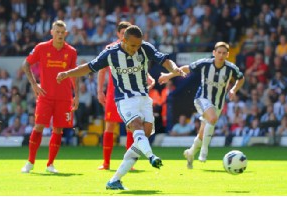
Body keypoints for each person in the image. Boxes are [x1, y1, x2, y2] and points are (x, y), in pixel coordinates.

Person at [57, 25, 184, 190]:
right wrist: (67, 73)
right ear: (123, 40)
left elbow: (165, 60)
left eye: (138, 45)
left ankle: (115, 180)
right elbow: (89, 67)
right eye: (132, 45)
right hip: (124, 99)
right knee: (136, 126)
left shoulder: (145, 48)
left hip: (144, 98)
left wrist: (174, 69)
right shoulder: (110, 53)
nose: (135, 49)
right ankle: (151, 156)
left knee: (142, 137)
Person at [158, 41, 245, 169]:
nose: (221, 55)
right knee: (213, 118)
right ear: (214, 53)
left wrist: (233, 90)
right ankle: (204, 151)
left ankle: (190, 153)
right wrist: (169, 75)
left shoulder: (231, 68)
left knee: (202, 133)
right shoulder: (205, 63)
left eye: (224, 53)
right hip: (202, 98)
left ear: (227, 55)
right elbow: (186, 68)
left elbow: (241, 78)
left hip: (218, 103)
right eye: (219, 52)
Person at [20, 20, 79, 174]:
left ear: (66, 34)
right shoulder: (41, 48)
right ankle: (30, 162)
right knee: (38, 126)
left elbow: (74, 75)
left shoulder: (71, 51)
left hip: (64, 97)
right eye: (57, 32)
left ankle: (50, 164)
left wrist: (76, 95)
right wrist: (34, 84)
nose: (60, 35)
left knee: (58, 130)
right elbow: (26, 64)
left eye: (62, 32)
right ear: (51, 32)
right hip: (45, 96)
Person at [97, 21, 155, 170]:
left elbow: (139, 67)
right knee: (109, 126)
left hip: (132, 95)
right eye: (122, 33)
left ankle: (130, 163)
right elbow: (101, 70)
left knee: (132, 128)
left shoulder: (136, 48)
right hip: (113, 94)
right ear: (118, 34)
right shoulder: (110, 49)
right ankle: (106, 163)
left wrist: (149, 78)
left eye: (126, 32)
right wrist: (99, 90)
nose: (124, 35)